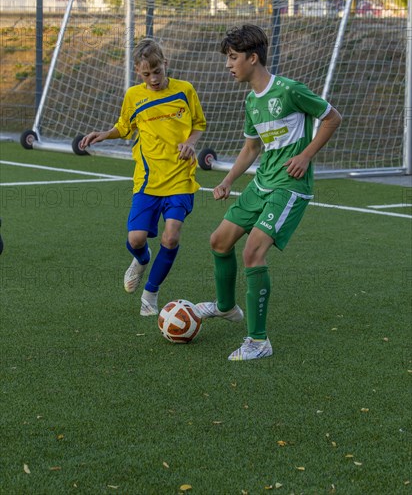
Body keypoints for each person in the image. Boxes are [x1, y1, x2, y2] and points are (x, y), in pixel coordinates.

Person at [196, 24, 342, 361]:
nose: (228, 65)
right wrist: (229, 180)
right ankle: (226, 306)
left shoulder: (291, 90)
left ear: (253, 57)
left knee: (252, 253)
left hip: (290, 187)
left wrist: (306, 156)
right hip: (261, 183)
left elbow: (332, 117)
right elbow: (251, 149)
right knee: (219, 241)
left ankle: (259, 341)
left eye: (233, 58)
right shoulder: (251, 101)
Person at [80, 38, 206, 316]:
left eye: (157, 71)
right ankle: (141, 259)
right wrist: (103, 134)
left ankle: (150, 293)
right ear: (138, 72)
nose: (153, 79)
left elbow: (198, 124)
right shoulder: (134, 96)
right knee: (136, 239)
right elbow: (124, 127)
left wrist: (192, 143)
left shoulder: (185, 90)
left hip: (180, 178)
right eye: (146, 74)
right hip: (148, 181)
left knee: (171, 237)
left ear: (165, 64)